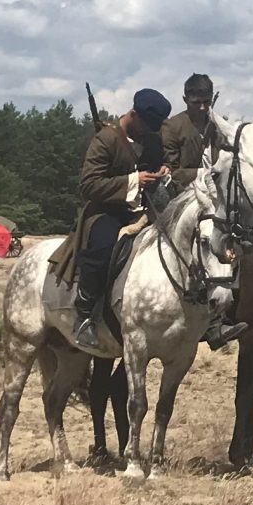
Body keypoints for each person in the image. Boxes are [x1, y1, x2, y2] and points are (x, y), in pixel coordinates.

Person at [74, 88, 170, 355]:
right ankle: (83, 313)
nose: (148, 132)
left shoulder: (152, 140)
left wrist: (164, 170)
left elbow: (160, 162)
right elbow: (89, 185)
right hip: (107, 211)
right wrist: (133, 181)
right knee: (103, 249)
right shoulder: (106, 140)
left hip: (144, 211)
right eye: (146, 125)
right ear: (134, 114)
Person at [162, 73, 218, 182]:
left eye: (206, 102)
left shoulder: (217, 128)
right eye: (196, 102)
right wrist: (206, 173)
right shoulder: (172, 128)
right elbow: (171, 171)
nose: (202, 107)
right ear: (185, 100)